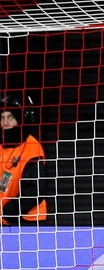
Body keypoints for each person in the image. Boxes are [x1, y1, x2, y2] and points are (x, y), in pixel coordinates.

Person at [0, 94, 47, 225]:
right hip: (4, 219)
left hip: (28, 221)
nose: (5, 122)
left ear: (20, 119)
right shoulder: (1, 147)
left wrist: (6, 212)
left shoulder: (32, 148)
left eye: (11, 117)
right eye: (2, 117)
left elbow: (34, 192)